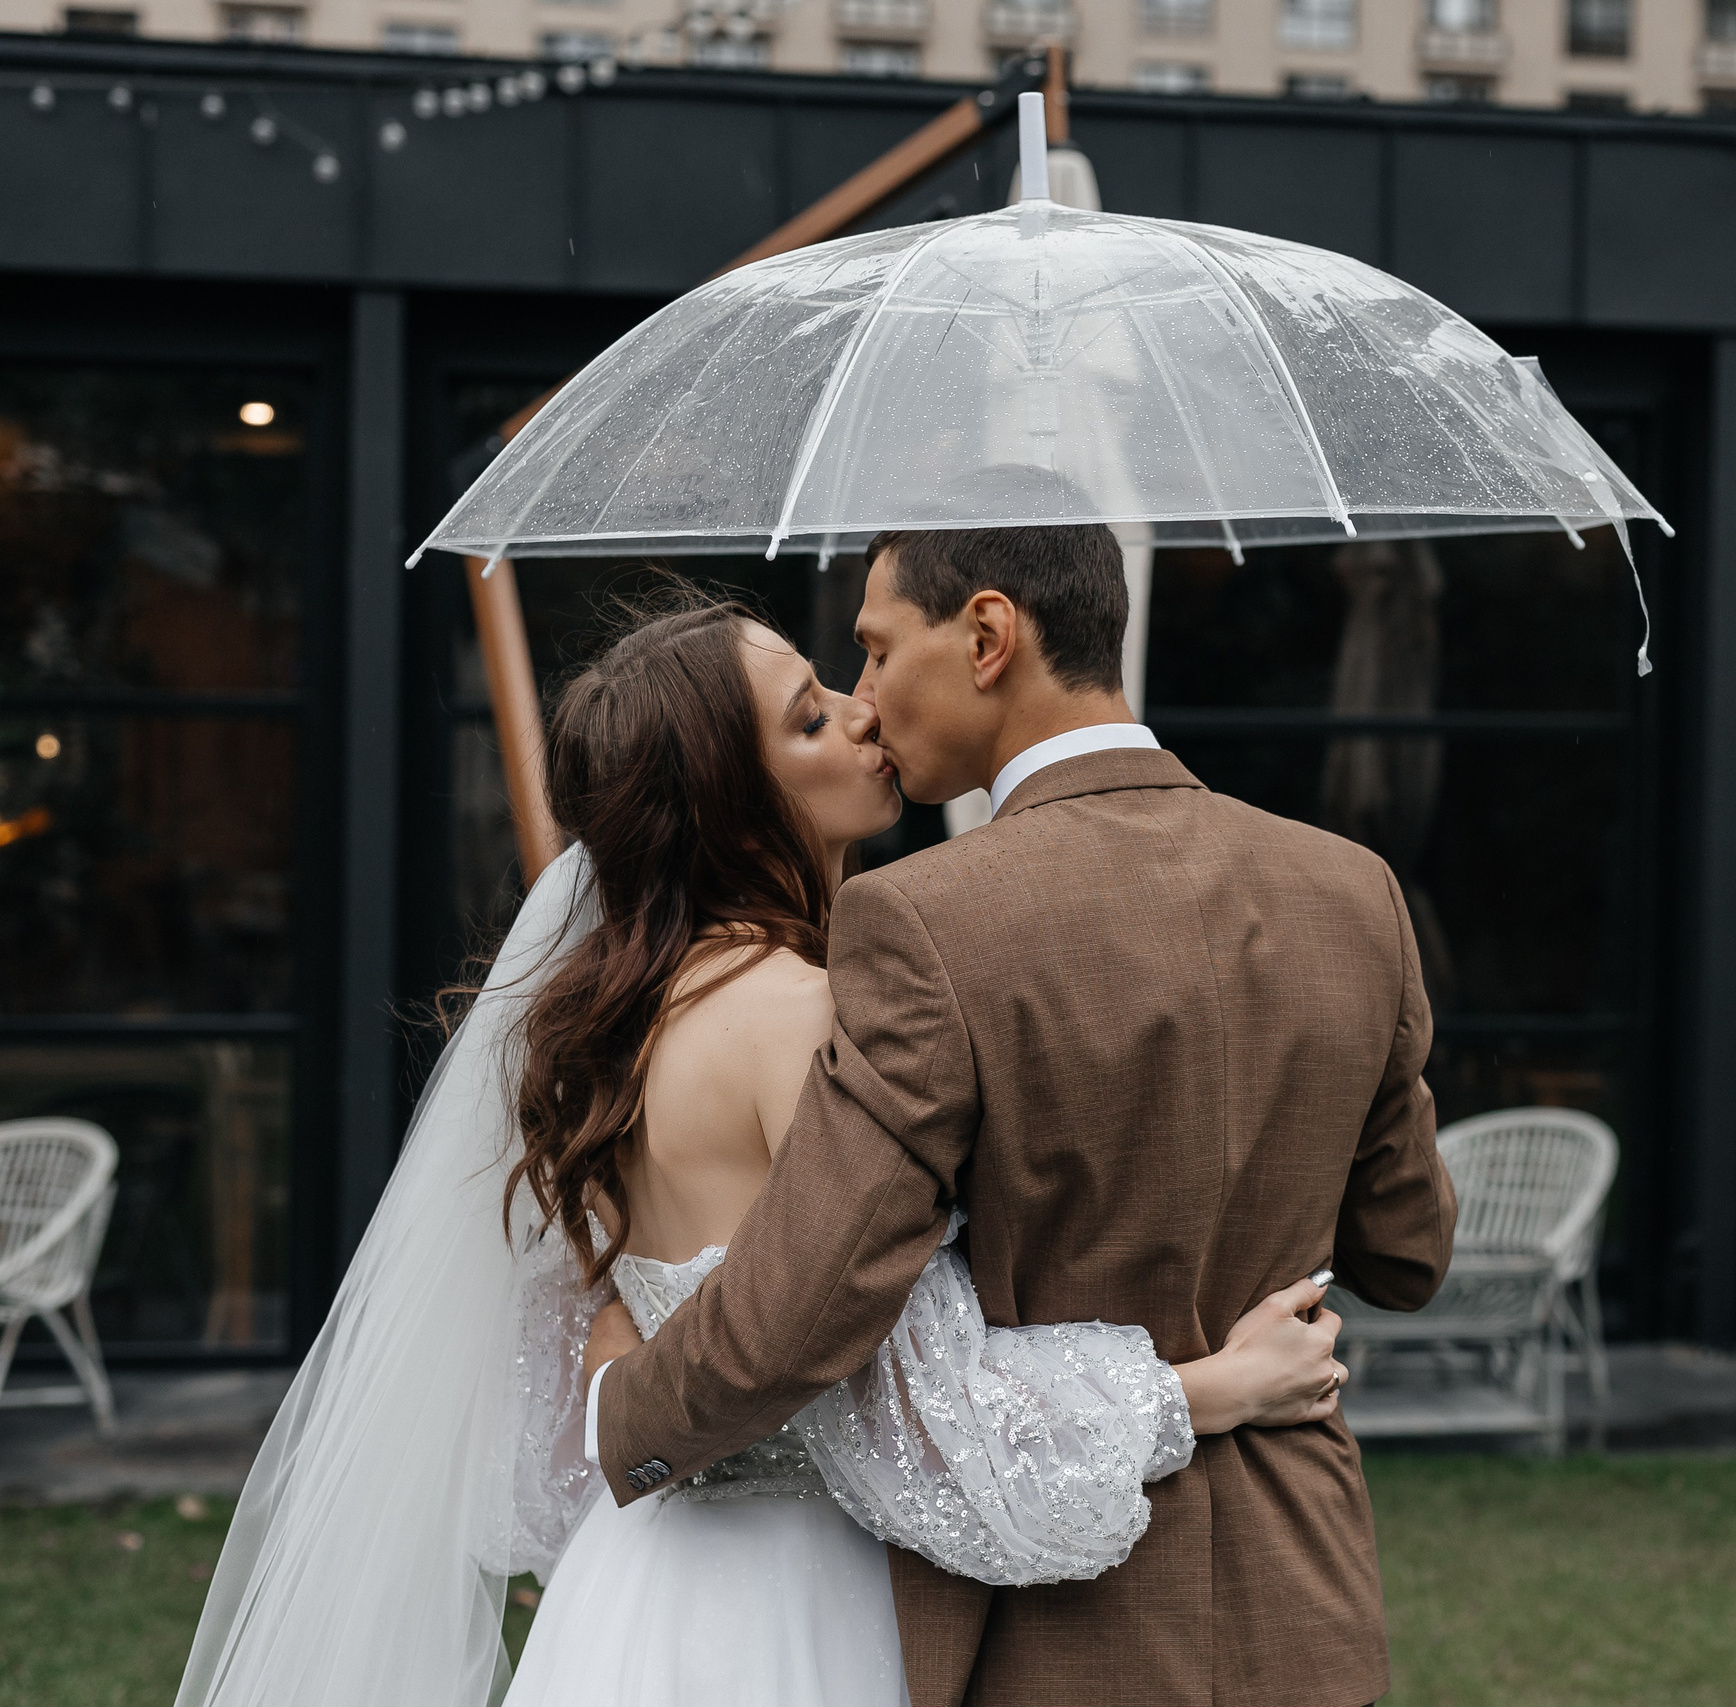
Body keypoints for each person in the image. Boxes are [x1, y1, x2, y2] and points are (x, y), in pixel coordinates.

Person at [174, 588, 1353, 1707]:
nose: (862, 709)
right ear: (734, 802)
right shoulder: (794, 1015)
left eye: (836, 683)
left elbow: (577, 1376)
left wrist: (617, 1369)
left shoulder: (624, 1020)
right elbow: (905, 1409)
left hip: (639, 1593)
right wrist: (1203, 1392)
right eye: (809, 719)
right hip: (798, 1604)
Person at [587, 521, 1456, 1707]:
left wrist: (617, 1412)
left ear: (988, 636)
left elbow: (801, 1306)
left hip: (1066, 1634)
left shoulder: (923, 920)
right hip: (1303, 1603)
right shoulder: (1353, 891)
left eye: (880, 652)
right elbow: (1407, 1254)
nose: (870, 699)